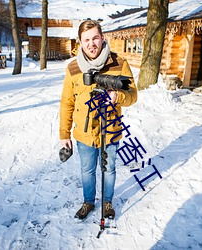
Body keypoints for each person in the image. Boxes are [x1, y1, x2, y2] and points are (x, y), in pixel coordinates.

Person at [59, 20, 137, 220]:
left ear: (102, 38)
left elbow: (133, 95)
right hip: (84, 133)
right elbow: (67, 102)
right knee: (87, 170)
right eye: (86, 40)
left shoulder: (119, 63)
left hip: (110, 129)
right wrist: (64, 134)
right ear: (80, 42)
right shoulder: (73, 68)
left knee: (109, 168)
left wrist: (117, 96)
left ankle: (108, 202)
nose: (91, 43)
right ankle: (88, 202)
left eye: (95, 38)